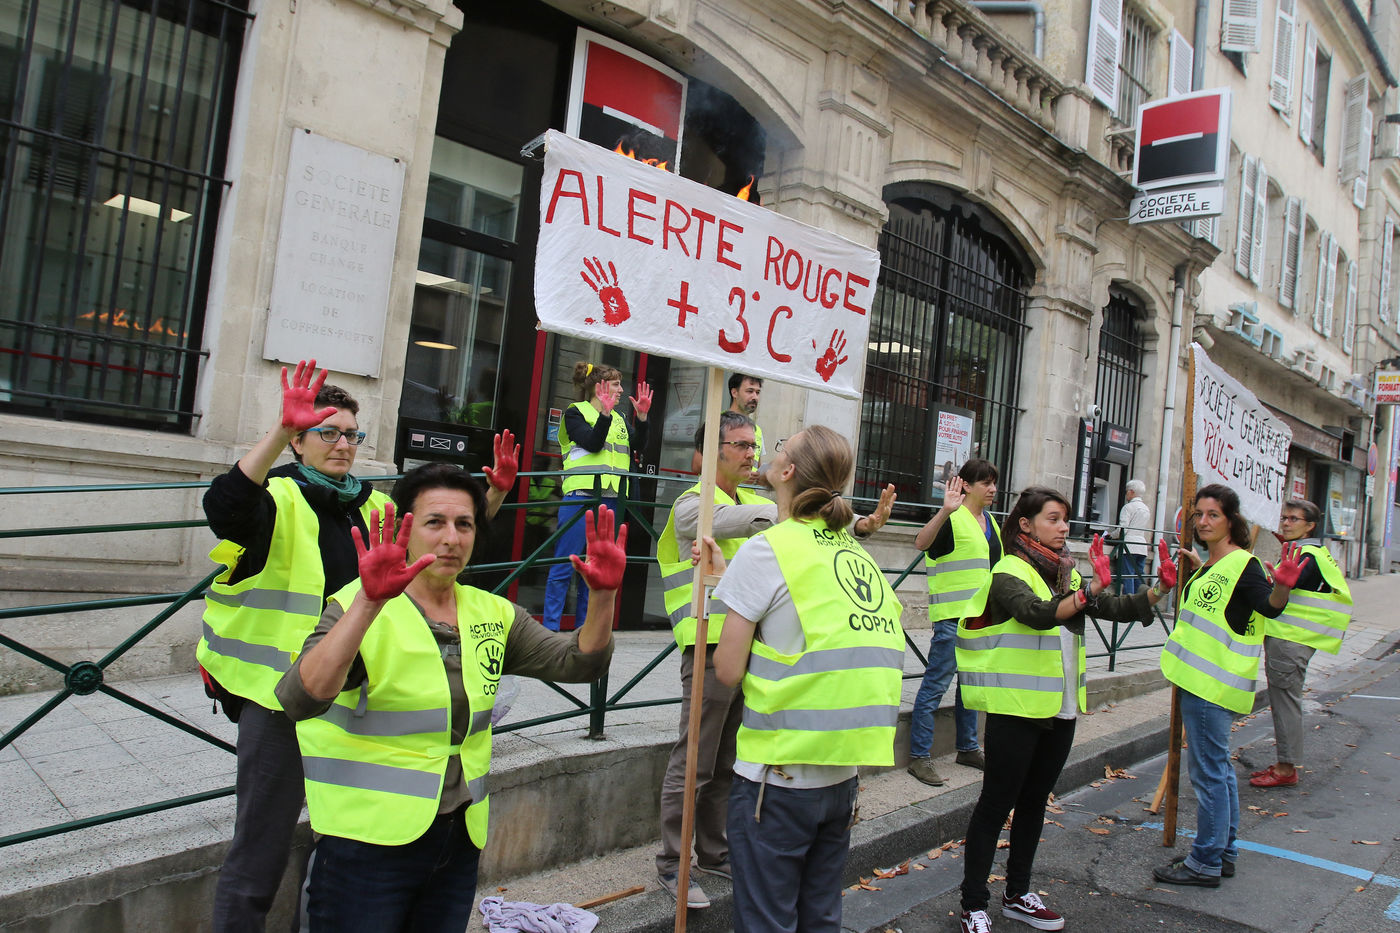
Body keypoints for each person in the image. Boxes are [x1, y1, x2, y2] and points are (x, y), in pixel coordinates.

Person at [198, 361, 515, 933]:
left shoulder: (372, 507)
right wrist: (277, 431)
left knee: (338, 843)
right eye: (327, 432)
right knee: (260, 851)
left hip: (351, 703)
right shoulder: (275, 497)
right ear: (298, 441)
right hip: (279, 700)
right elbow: (224, 506)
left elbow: (437, 548)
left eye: (352, 434)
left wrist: (492, 495)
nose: (343, 445)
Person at [274, 464, 625, 931]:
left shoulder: (491, 612)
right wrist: (369, 604)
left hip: (458, 838)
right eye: (434, 522)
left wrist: (603, 596)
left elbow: (578, 663)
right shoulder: (357, 603)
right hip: (365, 843)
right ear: (405, 530)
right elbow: (301, 698)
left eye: (465, 524)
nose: (451, 539)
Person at [655, 415, 896, 909]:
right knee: (695, 761)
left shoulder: (759, 503)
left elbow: (795, 526)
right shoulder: (692, 504)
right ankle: (673, 864)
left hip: (759, 655)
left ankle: (715, 852)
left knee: (729, 762)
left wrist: (848, 519)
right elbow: (747, 522)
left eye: (756, 445)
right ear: (711, 451)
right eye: (740, 445)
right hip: (710, 646)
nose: (751, 453)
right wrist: (808, 511)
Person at [955, 486, 1174, 933]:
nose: (1062, 528)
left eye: (1065, 520)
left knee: (1034, 803)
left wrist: (1158, 591)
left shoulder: (1065, 574)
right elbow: (1034, 613)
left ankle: (1017, 895)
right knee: (995, 805)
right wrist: (1088, 590)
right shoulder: (1008, 571)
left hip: (1061, 710)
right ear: (1026, 524)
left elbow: (1112, 606)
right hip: (1016, 709)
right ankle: (973, 904)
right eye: (1053, 519)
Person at [1154, 484, 1307, 888]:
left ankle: (1204, 861)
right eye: (1199, 514)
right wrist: (1197, 569)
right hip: (1200, 682)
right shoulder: (1214, 563)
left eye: (1213, 515)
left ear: (1231, 520)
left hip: (1212, 688)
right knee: (1217, 773)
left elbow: (1268, 606)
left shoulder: (1243, 564)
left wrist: (1283, 587)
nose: (1203, 522)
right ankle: (1223, 853)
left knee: (1209, 775)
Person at [908, 459, 1001, 786]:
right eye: (986, 483)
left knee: (971, 689)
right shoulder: (953, 517)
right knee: (935, 687)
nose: (992, 489)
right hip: (952, 619)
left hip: (980, 620)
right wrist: (945, 510)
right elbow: (921, 543)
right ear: (966, 485)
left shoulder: (991, 522)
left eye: (994, 483)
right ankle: (919, 757)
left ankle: (968, 748)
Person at [1251, 499, 1351, 787]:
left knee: (1285, 703)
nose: (1286, 523)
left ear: (1310, 526)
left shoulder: (1304, 555)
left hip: (1290, 641)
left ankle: (1286, 769)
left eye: (1294, 519)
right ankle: (1285, 763)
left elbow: (1288, 584)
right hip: (1293, 639)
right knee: (1285, 700)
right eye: (1284, 518)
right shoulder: (1315, 551)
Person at [543, 361, 651, 631]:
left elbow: (637, 446)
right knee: (564, 564)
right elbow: (591, 443)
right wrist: (604, 415)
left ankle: (585, 630)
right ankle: (549, 630)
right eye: (616, 384)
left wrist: (642, 419)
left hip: (613, 501)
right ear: (599, 387)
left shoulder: (619, 418)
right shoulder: (575, 413)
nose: (621, 390)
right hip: (581, 499)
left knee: (597, 570)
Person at [690, 373, 763, 480]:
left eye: (757, 392)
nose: (755, 397)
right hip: (717, 490)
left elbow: (758, 468)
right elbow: (697, 465)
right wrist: (737, 473)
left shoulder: (757, 430)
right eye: (749, 391)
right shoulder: (717, 422)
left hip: (744, 492)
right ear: (734, 392)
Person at [1117, 479, 1152, 595]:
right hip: (1141, 546)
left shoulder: (1128, 507)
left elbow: (1123, 529)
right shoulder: (1146, 509)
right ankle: (1140, 600)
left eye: (1127, 491)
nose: (1126, 494)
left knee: (1128, 576)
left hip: (1129, 546)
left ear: (1131, 492)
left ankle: (1128, 602)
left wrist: (1111, 535)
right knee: (1138, 576)